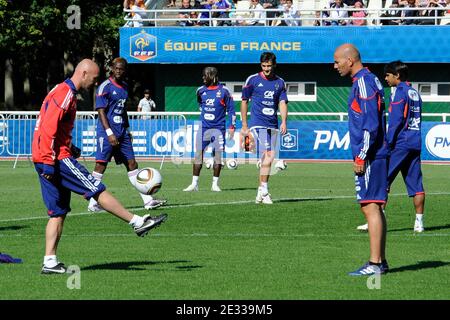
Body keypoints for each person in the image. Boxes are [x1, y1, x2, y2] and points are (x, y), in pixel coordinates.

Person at [32, 59, 167, 274]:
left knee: (57, 212)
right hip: (55, 159)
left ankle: (49, 261)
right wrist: (50, 162)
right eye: (94, 79)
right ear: (84, 73)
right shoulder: (65, 94)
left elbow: (53, 128)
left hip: (44, 157)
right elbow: (48, 126)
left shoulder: (61, 91)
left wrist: (69, 146)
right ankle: (137, 222)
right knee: (95, 188)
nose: (95, 84)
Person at [333, 44, 389, 276]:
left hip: (371, 155)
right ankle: (380, 262)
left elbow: (371, 124)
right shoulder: (366, 81)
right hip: (374, 153)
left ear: (350, 60)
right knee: (373, 205)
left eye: (337, 61)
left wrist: (361, 155)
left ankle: (375, 264)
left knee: (369, 206)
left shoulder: (365, 83)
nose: (334, 66)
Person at [87, 57, 166, 213]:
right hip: (107, 133)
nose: (118, 71)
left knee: (132, 164)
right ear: (111, 68)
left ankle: (148, 200)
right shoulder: (105, 86)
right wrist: (109, 133)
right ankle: (92, 203)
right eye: (115, 68)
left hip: (122, 132)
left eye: (121, 69)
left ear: (125, 70)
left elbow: (122, 110)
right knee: (100, 165)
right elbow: (101, 111)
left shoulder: (124, 87)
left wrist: (128, 130)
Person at [357, 61, 425, 233]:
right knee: (416, 184)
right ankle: (419, 223)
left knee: (382, 180)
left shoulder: (400, 93)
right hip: (415, 142)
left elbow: (395, 121)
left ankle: (376, 220)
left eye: (388, 75)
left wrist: (388, 141)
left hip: (400, 143)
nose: (385, 78)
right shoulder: (415, 92)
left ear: (397, 76)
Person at [240, 52, 288, 204]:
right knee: (270, 154)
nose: (266, 69)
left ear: (274, 65)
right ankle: (265, 191)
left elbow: (282, 103)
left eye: (269, 66)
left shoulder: (280, 82)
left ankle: (261, 192)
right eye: (264, 66)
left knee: (266, 158)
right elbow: (244, 101)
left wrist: (284, 121)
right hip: (257, 122)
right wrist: (245, 125)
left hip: (272, 124)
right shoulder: (252, 80)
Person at [184, 67, 236, 192]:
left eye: (205, 75)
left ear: (212, 76)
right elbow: (200, 104)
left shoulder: (224, 91)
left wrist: (232, 126)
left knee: (217, 156)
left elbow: (231, 110)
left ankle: (215, 184)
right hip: (204, 127)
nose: (203, 78)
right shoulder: (200, 91)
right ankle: (194, 184)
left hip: (219, 128)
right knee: (198, 154)